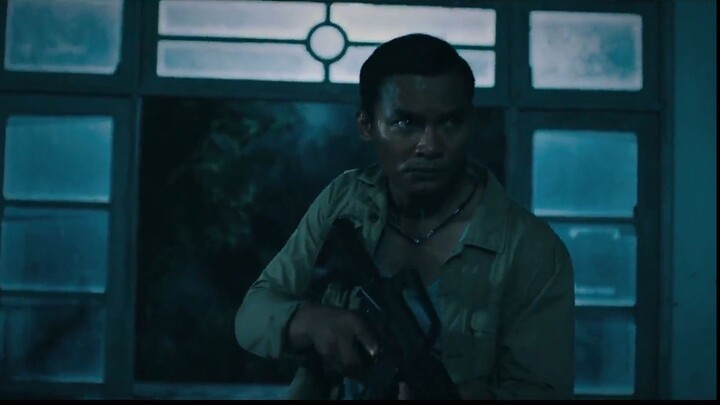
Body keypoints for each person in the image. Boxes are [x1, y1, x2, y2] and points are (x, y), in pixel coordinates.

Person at [234, 33, 575, 400]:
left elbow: (545, 392)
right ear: (366, 125)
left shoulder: (531, 249)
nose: (429, 146)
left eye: (449, 123)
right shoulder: (346, 200)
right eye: (405, 124)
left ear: (470, 123)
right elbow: (252, 317)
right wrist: (310, 322)